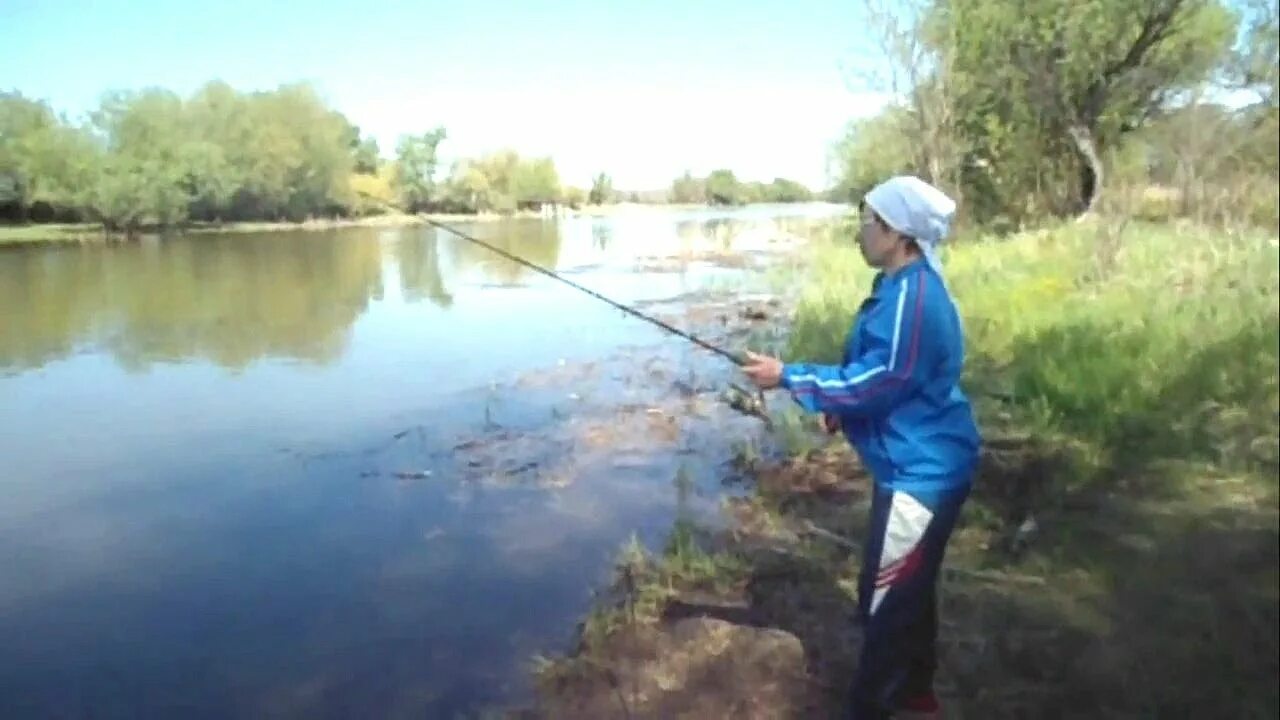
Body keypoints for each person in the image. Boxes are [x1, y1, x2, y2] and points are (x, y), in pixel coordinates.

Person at [740, 175, 982, 720]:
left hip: (921, 472)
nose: (859, 231)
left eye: (867, 221)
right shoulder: (899, 288)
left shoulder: (911, 298)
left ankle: (873, 707)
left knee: (887, 606)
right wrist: (838, 405)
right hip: (916, 464)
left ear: (897, 234)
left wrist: (789, 377)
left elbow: (882, 380)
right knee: (908, 591)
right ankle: (918, 699)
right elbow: (880, 379)